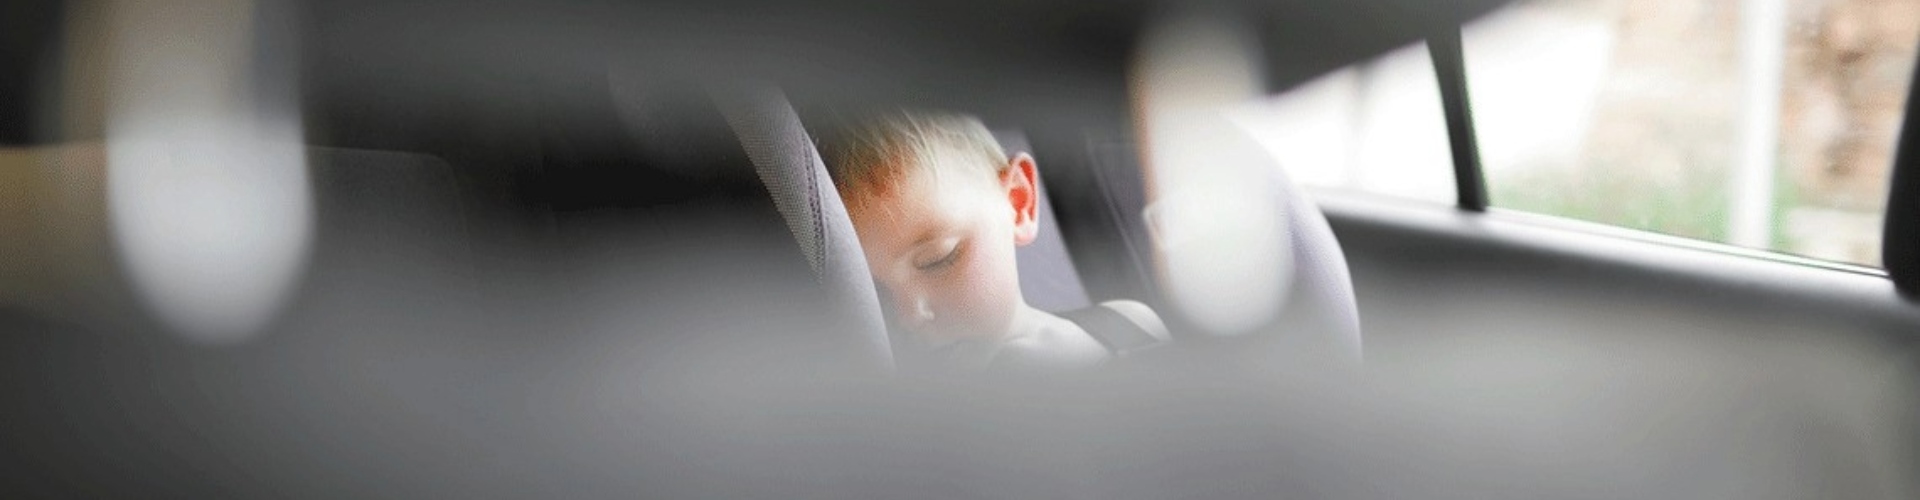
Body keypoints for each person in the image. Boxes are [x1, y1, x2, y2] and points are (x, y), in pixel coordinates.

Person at [816, 110, 1122, 370]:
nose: (909, 317)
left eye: (938, 259)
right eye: (873, 292)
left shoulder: (1126, 319)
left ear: (1018, 202)